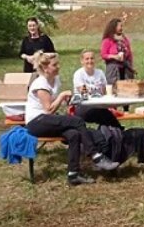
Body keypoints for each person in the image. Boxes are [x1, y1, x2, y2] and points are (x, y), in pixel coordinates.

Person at [25, 52, 119, 185]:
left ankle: (73, 174)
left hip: (48, 120)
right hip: (37, 122)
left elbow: (54, 105)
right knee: (78, 121)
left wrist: (67, 100)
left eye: (58, 64)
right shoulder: (40, 83)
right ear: (45, 68)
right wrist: (62, 95)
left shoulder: (55, 80)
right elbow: (48, 109)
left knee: (74, 134)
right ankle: (96, 156)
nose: (58, 67)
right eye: (54, 65)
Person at [71, 48, 121, 128]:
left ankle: (116, 132)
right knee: (104, 114)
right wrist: (96, 91)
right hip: (83, 106)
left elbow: (105, 91)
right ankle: (118, 131)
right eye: (87, 59)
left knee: (106, 115)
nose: (90, 61)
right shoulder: (78, 74)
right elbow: (83, 91)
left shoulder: (100, 73)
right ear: (82, 61)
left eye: (92, 58)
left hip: (99, 106)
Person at [101, 18, 135, 85]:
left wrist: (131, 65)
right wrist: (114, 56)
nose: (121, 28)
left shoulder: (124, 40)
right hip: (113, 70)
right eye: (120, 26)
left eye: (122, 26)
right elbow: (103, 54)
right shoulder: (107, 40)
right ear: (114, 27)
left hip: (126, 69)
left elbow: (129, 54)